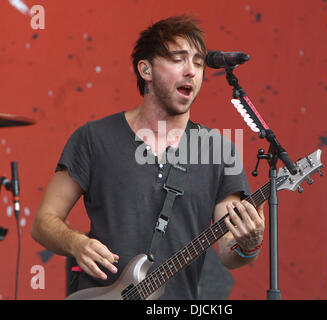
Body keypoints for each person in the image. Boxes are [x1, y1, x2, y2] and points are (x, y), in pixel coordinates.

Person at [31, 15, 265, 300]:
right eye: (178, 59)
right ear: (146, 69)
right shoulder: (94, 138)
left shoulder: (218, 150)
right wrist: (76, 243)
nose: (191, 71)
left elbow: (230, 254)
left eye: (199, 63)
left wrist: (248, 245)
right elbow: (44, 222)